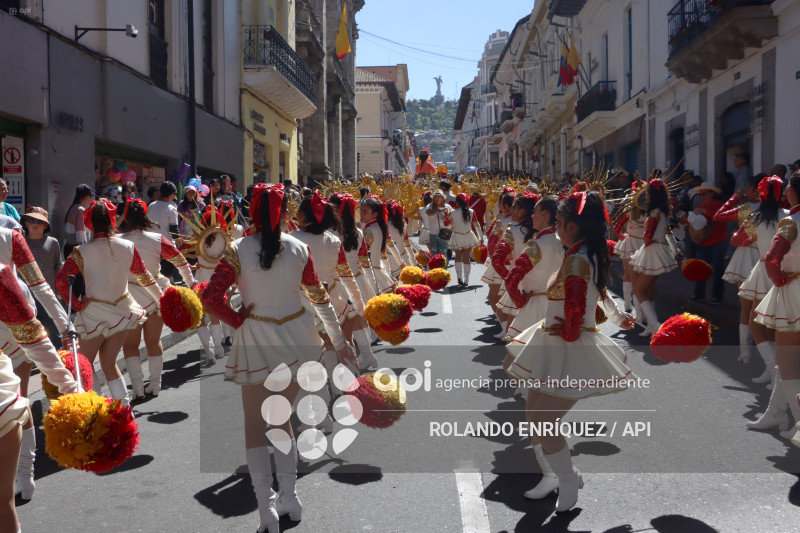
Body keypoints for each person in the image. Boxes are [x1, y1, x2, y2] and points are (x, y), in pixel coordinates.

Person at [202, 183, 356, 533]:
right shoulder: (300, 248)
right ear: (286, 213)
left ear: (251, 212)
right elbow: (320, 300)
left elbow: (211, 297)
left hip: (256, 339)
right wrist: (339, 342)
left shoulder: (238, 249)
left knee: (255, 427)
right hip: (298, 339)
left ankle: (266, 509)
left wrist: (236, 319)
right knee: (281, 419)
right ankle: (290, 497)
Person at [505, 191, 635, 512]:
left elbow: (576, 306)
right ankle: (554, 475)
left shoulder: (578, 256)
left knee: (543, 420)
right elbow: (599, 292)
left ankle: (567, 478)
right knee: (534, 414)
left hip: (569, 347)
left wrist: (567, 334)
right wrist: (618, 317)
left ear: (572, 226)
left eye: (560, 222)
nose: (556, 228)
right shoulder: (581, 252)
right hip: (555, 342)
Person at [55, 200, 162, 406]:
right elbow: (145, 277)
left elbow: (60, 282)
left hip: (93, 313)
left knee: (84, 365)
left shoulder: (81, 251)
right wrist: (163, 299)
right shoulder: (128, 246)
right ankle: (124, 412)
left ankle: (99, 412)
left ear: (89, 222)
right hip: (123, 311)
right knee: (109, 363)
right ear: (113, 219)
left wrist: (77, 305)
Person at [0, 262, 80, 529]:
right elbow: (40, 286)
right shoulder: (6, 261)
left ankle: (25, 476)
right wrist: (71, 388)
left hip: (15, 324)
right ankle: (26, 476)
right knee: (19, 400)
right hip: (17, 328)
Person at [118, 199, 195, 398]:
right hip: (155, 297)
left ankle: (137, 388)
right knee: (153, 341)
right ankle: (155, 384)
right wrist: (191, 284)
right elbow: (181, 261)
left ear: (125, 217)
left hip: (128, 299)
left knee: (130, 345)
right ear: (146, 216)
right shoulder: (157, 239)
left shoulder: (117, 241)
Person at [753, 174, 800, 445]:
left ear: (791, 191)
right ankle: (775, 412)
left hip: (794, 294)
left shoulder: (791, 222)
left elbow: (772, 259)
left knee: (788, 364)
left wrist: (781, 280)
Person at [733, 176, 786, 398]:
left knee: (756, 324)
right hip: (785, 272)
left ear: (762, 194)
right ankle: (770, 371)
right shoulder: (787, 216)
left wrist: (752, 234)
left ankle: (774, 371)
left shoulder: (756, 218)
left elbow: (737, 240)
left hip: (765, 271)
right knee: (772, 325)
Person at [713, 175, 762, 364]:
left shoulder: (747, 208)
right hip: (766, 257)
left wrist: (735, 197)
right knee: (765, 308)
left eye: (748, 188)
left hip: (746, 257)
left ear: (753, 189)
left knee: (746, 308)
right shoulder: (779, 210)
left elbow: (719, 216)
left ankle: (746, 353)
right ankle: (766, 353)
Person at [504, 195, 563, 340]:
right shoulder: (563, 243)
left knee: (522, 350)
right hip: (559, 307)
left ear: (545, 215)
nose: (532, 215)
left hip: (535, 306)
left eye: (535, 211)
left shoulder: (536, 245)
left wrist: (520, 301)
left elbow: (511, 280)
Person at [631, 179, 682, 335]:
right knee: (647, 289)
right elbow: (668, 233)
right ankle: (650, 326)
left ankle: (654, 324)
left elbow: (648, 235)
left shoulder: (654, 213)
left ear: (653, 195)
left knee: (638, 289)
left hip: (652, 251)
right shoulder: (664, 212)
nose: (646, 196)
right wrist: (676, 250)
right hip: (659, 250)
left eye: (648, 193)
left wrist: (647, 239)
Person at [493, 194, 538, 336]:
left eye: (514, 208)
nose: (511, 211)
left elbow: (496, 260)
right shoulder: (548, 235)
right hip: (544, 292)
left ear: (522, 212)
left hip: (519, 288)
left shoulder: (512, 231)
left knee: (514, 337)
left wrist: (510, 278)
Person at [21, 208, 64, 349]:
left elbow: (58, 267)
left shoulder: (53, 242)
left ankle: (59, 357)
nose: (35, 224)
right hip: (25, 297)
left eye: (39, 221)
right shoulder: (19, 242)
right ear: (26, 223)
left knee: (54, 333)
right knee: (28, 335)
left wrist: (60, 291)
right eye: (31, 220)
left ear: (45, 225)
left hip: (47, 296)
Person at [689, 181, 728, 304]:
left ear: (712, 193)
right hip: (704, 241)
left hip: (718, 241)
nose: (702, 196)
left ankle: (716, 296)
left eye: (704, 194)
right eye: (700, 194)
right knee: (701, 269)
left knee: (717, 269)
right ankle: (699, 294)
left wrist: (704, 212)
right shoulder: (701, 207)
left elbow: (720, 216)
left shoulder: (719, 205)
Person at [360, 197, 396, 294]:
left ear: (375, 214)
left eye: (365, 211)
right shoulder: (377, 227)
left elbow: (362, 255)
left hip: (371, 272)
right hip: (378, 269)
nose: (361, 214)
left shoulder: (369, 230)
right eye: (361, 210)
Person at [148, 182, 181, 282]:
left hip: (151, 246)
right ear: (172, 194)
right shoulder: (171, 209)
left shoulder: (151, 205)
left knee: (154, 276)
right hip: (166, 248)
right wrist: (181, 247)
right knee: (166, 278)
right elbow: (174, 231)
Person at [448, 193, 482, 286]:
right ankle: (466, 279)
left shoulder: (452, 213)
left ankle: (459, 277)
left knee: (458, 257)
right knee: (467, 258)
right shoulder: (471, 211)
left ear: (457, 202)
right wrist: (481, 237)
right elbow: (477, 225)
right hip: (468, 235)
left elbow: (446, 222)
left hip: (457, 236)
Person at [64, 184, 94, 257]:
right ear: (86, 196)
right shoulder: (80, 210)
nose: (91, 198)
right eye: (90, 196)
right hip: (76, 250)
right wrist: (84, 251)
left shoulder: (73, 208)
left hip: (69, 248)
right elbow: (80, 233)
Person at [426, 190, 452, 265]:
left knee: (443, 253)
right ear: (433, 198)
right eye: (435, 197)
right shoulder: (430, 206)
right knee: (434, 253)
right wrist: (440, 210)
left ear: (442, 198)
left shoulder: (448, 207)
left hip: (445, 233)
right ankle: (435, 270)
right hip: (433, 233)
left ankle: (443, 270)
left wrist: (448, 220)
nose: (437, 198)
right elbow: (428, 213)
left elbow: (452, 219)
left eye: (439, 196)